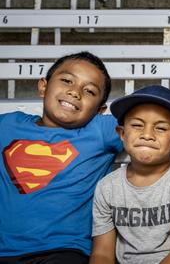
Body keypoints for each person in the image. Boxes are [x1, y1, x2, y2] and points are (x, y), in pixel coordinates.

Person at [0, 51, 122, 263]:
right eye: (67, 81)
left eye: (89, 91)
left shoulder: (100, 130)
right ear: (43, 86)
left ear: (100, 110)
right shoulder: (8, 125)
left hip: (63, 250)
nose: (75, 92)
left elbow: (165, 125)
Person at [90, 85, 170, 263]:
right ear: (122, 133)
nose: (147, 135)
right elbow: (101, 254)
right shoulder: (107, 187)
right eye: (137, 125)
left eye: (161, 128)